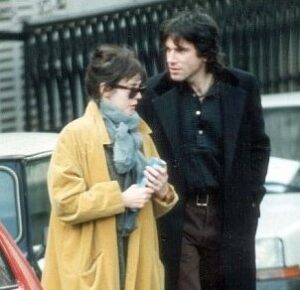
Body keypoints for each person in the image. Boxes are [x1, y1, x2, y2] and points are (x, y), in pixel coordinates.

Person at [138, 9, 271, 290]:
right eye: (168, 49)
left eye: (181, 50)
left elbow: (259, 146)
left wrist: (252, 198)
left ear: (205, 53)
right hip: (179, 214)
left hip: (229, 213)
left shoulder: (241, 86)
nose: (170, 58)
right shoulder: (154, 93)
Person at [42, 44, 178, 290]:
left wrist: (162, 189)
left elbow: (150, 205)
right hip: (93, 271)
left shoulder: (140, 133)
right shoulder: (74, 136)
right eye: (132, 90)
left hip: (137, 265)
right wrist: (120, 198)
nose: (139, 97)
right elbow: (65, 202)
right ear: (106, 90)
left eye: (141, 89)